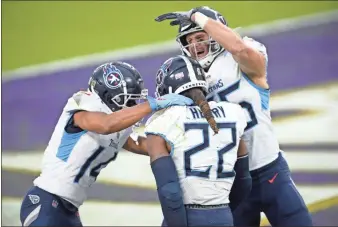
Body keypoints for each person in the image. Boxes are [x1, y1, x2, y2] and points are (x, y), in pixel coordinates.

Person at [155, 6, 313, 226]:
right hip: (233, 180)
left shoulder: (240, 56)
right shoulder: (188, 75)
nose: (195, 45)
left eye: (200, 37)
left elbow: (238, 48)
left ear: (218, 33)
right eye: (188, 40)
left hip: (270, 169)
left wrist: (197, 16)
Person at [19, 61, 194, 227]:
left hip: (69, 209)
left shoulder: (116, 124)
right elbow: (105, 125)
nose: (134, 106)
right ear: (109, 96)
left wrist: (181, 141)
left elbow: (143, 145)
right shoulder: (83, 108)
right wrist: (153, 105)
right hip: (46, 201)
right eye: (129, 100)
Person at [144, 55, 249, 226]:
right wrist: (220, 211)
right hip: (223, 216)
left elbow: (170, 192)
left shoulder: (163, 121)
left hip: (187, 216)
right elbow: (244, 180)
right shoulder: (234, 113)